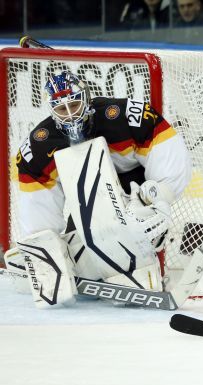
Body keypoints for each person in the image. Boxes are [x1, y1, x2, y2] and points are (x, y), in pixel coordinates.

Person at [12, 71, 191, 308]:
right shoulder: (39, 145)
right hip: (86, 196)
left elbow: (167, 151)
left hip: (133, 185)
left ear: (86, 98)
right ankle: (94, 266)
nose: (71, 115)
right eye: (62, 110)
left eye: (75, 104)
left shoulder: (122, 116)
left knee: (139, 221)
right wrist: (45, 248)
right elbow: (36, 200)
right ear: (51, 110)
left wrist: (158, 197)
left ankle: (134, 270)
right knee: (86, 253)